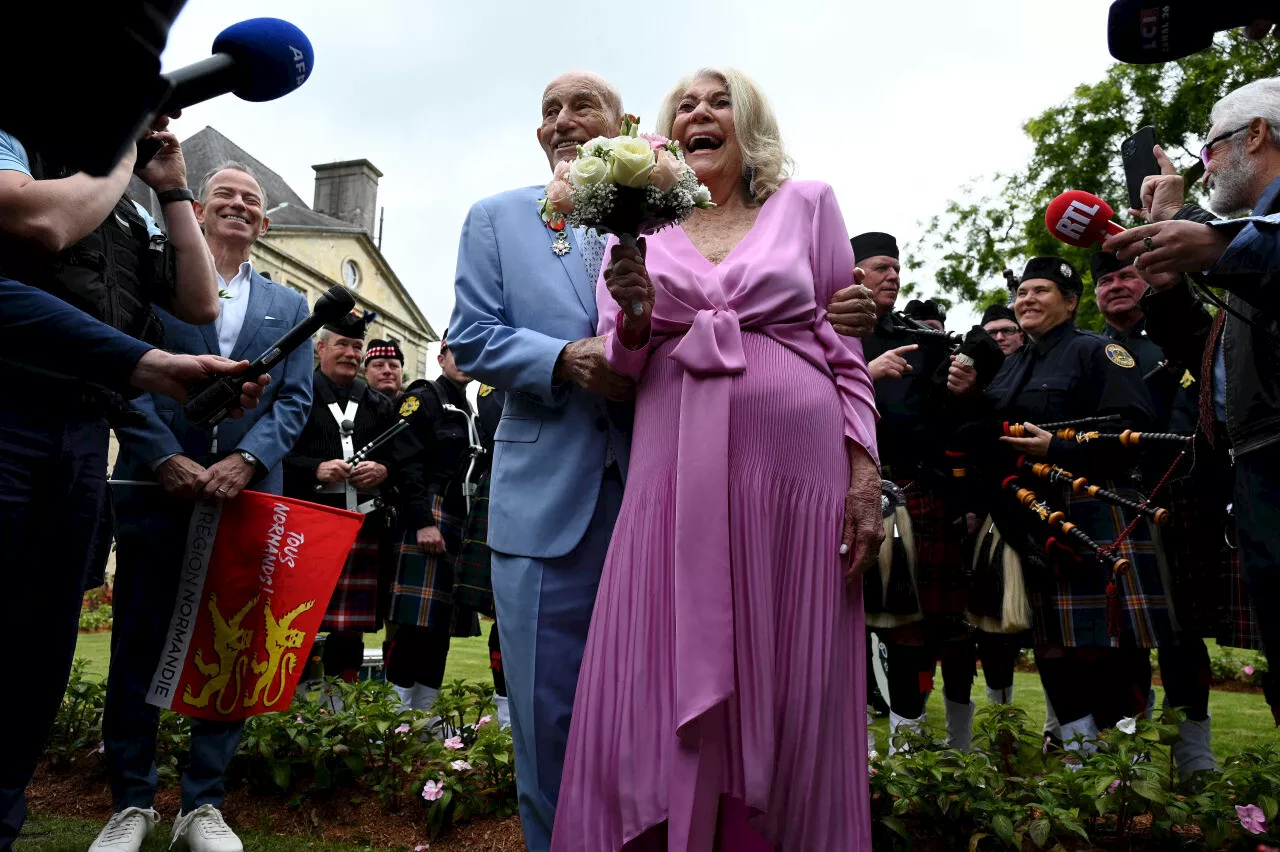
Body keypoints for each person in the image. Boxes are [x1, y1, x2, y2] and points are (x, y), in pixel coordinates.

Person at [551, 65, 882, 851]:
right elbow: (622, 371)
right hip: (671, 467)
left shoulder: (808, 204)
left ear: (749, 124)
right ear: (664, 139)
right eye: (685, 105)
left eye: (719, 100)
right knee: (657, 647)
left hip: (797, 477)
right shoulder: (635, 232)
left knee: (790, 659)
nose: (701, 112)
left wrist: (865, 474)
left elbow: (846, 348)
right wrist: (633, 315)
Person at [0, 116, 226, 850]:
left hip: (79, 434)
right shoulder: (18, 145)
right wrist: (120, 150)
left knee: (40, 649)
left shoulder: (126, 202)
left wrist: (171, 189)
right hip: (9, 415)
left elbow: (200, 302)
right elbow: (40, 221)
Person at [98, 163, 313, 852]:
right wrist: (164, 455)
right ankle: (132, 803)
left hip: (247, 500)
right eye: (225, 194)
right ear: (193, 207)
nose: (239, 206)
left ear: (266, 224)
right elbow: (122, 376)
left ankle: (203, 806)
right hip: (156, 487)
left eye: (252, 200)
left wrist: (247, 460)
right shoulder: (154, 287)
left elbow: (295, 401)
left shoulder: (290, 304)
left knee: (231, 646)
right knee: (138, 642)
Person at [1104, 78, 1280, 721]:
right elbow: (1205, 352)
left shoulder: (1252, 232)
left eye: (1208, 152)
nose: (1204, 170)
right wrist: (1173, 278)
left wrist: (1205, 233)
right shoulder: (1247, 237)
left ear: (1255, 134)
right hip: (1252, 459)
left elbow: (1255, 248)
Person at [985, 256, 1168, 759]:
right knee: (1049, 643)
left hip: (1094, 507)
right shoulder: (1013, 364)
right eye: (1023, 292)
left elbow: (1133, 433)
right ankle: (1080, 752)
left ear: (1070, 301)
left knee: (1108, 645)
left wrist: (1060, 450)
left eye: (1041, 291)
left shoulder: (1098, 352)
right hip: (1031, 514)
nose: (1028, 300)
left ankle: (1125, 759)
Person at [284, 312, 398, 685]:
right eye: (342, 345)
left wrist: (384, 471)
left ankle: (340, 707)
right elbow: (274, 453)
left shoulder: (378, 403)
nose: (350, 353)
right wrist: (314, 468)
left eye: (356, 346)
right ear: (321, 349)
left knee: (349, 628)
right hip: (309, 525)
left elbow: (401, 460)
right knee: (295, 619)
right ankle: (294, 707)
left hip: (362, 525)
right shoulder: (297, 394)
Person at [383, 329, 482, 716]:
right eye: (454, 352)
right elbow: (406, 467)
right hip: (429, 513)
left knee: (439, 629)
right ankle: (393, 723)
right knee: (414, 627)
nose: (462, 359)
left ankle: (423, 720)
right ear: (440, 358)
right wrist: (423, 522)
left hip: (458, 518)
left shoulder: (467, 408)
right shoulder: (422, 398)